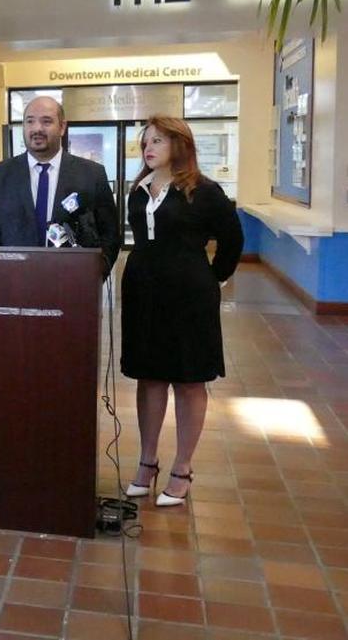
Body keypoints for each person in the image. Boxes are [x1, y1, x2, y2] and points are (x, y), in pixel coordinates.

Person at [121, 116, 242, 507]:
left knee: (189, 379)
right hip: (144, 294)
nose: (148, 148)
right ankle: (147, 462)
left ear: (179, 144)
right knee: (149, 376)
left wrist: (212, 280)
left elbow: (232, 240)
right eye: (145, 143)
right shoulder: (137, 190)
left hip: (189, 298)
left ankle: (183, 467)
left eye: (157, 141)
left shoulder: (204, 191)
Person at [0, 96, 120, 274]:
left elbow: (110, 234)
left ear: (62, 127)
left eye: (46, 121)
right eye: (30, 121)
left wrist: (94, 276)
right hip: (13, 285)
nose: (37, 128)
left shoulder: (91, 174)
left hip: (72, 286)